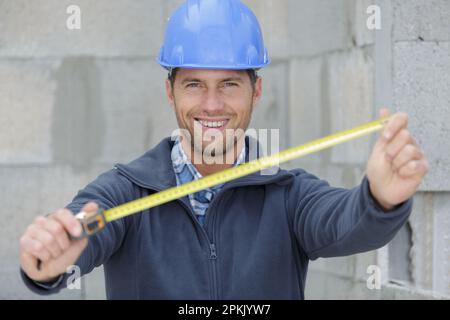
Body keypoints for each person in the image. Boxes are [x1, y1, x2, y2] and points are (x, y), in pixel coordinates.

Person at [19, 0, 428, 299]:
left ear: (256, 91)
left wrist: (380, 199)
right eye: (194, 84)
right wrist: (50, 263)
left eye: (229, 84)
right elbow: (80, 235)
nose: (212, 105)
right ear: (170, 91)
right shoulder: (124, 191)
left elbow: (347, 221)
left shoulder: (287, 193)